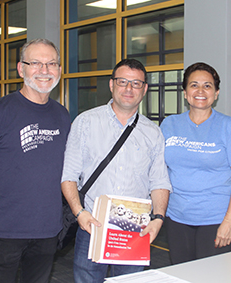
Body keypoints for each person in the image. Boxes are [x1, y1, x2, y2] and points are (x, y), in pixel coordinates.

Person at [0, 38, 70, 283]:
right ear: (21, 68)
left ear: (59, 70)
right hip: (4, 229)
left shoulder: (62, 114)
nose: (44, 71)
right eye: (36, 63)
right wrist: (0, 202)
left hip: (47, 229)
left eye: (51, 63)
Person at [61, 58, 171, 283]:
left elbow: (159, 181)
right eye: (123, 82)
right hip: (92, 226)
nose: (129, 89)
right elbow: (69, 176)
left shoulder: (153, 132)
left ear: (145, 89)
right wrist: (79, 213)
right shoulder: (86, 123)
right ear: (111, 85)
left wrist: (158, 218)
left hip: (135, 230)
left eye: (136, 83)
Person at [160, 62, 231, 264]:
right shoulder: (169, 124)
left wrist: (230, 221)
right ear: (185, 92)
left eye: (207, 86)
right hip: (176, 217)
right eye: (194, 85)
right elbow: (158, 169)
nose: (200, 91)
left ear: (216, 93)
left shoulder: (230, 127)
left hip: (216, 219)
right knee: (181, 275)